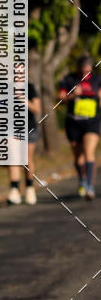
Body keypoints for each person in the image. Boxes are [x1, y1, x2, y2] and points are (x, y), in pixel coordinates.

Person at [58, 54, 101, 200]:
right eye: (83, 70)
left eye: (87, 70)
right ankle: (82, 179)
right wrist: (71, 95)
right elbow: (60, 98)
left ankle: (89, 186)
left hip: (91, 122)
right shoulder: (69, 79)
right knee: (78, 158)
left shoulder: (97, 80)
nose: (85, 73)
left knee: (89, 152)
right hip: (73, 123)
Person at [7, 82, 41, 205]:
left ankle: (29, 188)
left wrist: (22, 99)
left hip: (29, 128)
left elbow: (37, 109)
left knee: (27, 159)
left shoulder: (30, 88)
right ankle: (14, 190)